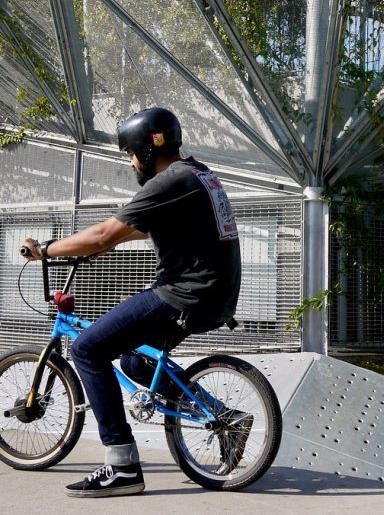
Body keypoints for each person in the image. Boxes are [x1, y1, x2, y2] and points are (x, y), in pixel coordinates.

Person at [21, 107, 242, 499]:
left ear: (144, 146)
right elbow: (140, 229)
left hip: (184, 294)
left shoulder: (169, 181)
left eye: (129, 152)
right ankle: (225, 419)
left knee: (87, 348)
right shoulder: (197, 174)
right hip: (214, 295)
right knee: (134, 360)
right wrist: (96, 248)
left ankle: (122, 466)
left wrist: (47, 250)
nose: (130, 161)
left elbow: (107, 232)